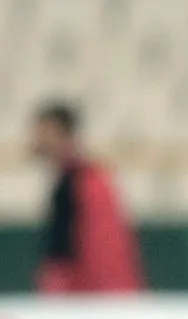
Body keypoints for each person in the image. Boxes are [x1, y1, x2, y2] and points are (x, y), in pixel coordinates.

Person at [30, 101, 143, 294]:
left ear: (65, 135)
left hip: (96, 294)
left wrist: (59, 282)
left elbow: (104, 247)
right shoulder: (75, 180)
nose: (39, 140)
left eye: (46, 133)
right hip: (93, 293)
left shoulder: (85, 182)